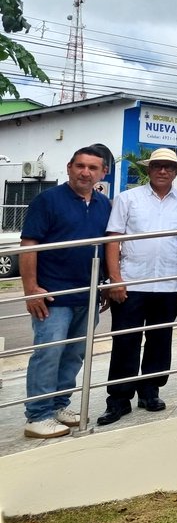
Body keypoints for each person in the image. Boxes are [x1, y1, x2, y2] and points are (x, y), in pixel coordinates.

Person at [19, 145, 111, 439]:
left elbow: (106, 246)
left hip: (88, 293)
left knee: (74, 355)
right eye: (80, 166)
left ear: (103, 172)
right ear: (70, 167)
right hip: (53, 295)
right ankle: (38, 415)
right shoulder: (48, 200)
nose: (85, 172)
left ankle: (59, 405)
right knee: (49, 353)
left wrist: (105, 283)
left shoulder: (104, 204)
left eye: (92, 168)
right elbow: (29, 245)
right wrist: (31, 289)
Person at [98, 147, 177, 426]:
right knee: (125, 340)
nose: (163, 171)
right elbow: (113, 239)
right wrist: (115, 279)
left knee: (160, 340)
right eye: (157, 166)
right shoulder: (128, 199)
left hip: (170, 282)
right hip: (132, 282)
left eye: (168, 167)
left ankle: (150, 390)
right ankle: (118, 399)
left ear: (176, 172)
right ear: (148, 169)